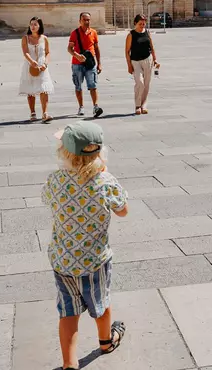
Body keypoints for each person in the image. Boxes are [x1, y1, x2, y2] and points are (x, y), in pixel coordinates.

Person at [44, 122, 127, 369]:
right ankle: (105, 341)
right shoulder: (106, 181)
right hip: (94, 261)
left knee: (68, 312)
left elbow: (46, 199)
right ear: (99, 152)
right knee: (100, 304)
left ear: (65, 153)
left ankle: (70, 364)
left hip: (63, 259)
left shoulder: (56, 180)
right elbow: (123, 211)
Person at [68, 12, 104, 118]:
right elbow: (69, 48)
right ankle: (81, 106)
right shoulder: (74, 33)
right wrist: (77, 55)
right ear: (80, 21)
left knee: (93, 85)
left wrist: (99, 63)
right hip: (77, 64)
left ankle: (95, 107)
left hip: (90, 64)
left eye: (88, 20)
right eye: (84, 20)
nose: (87, 22)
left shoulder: (93, 32)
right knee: (78, 86)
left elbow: (96, 48)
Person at [20, 17, 54, 123]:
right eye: (31, 24)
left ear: (40, 26)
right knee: (30, 89)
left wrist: (45, 63)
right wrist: (31, 61)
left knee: (44, 88)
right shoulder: (25, 38)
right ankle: (33, 112)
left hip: (42, 66)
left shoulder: (44, 38)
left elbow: (48, 53)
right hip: (30, 66)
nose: (33, 26)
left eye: (35, 24)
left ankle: (45, 113)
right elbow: (25, 52)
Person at [125, 14, 160, 115]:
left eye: (144, 24)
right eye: (140, 24)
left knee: (147, 83)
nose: (142, 25)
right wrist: (129, 65)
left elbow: (152, 47)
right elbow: (127, 51)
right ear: (135, 23)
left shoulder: (147, 33)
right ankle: (137, 105)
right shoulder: (131, 35)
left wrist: (155, 60)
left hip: (148, 60)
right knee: (139, 83)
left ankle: (143, 104)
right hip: (135, 61)